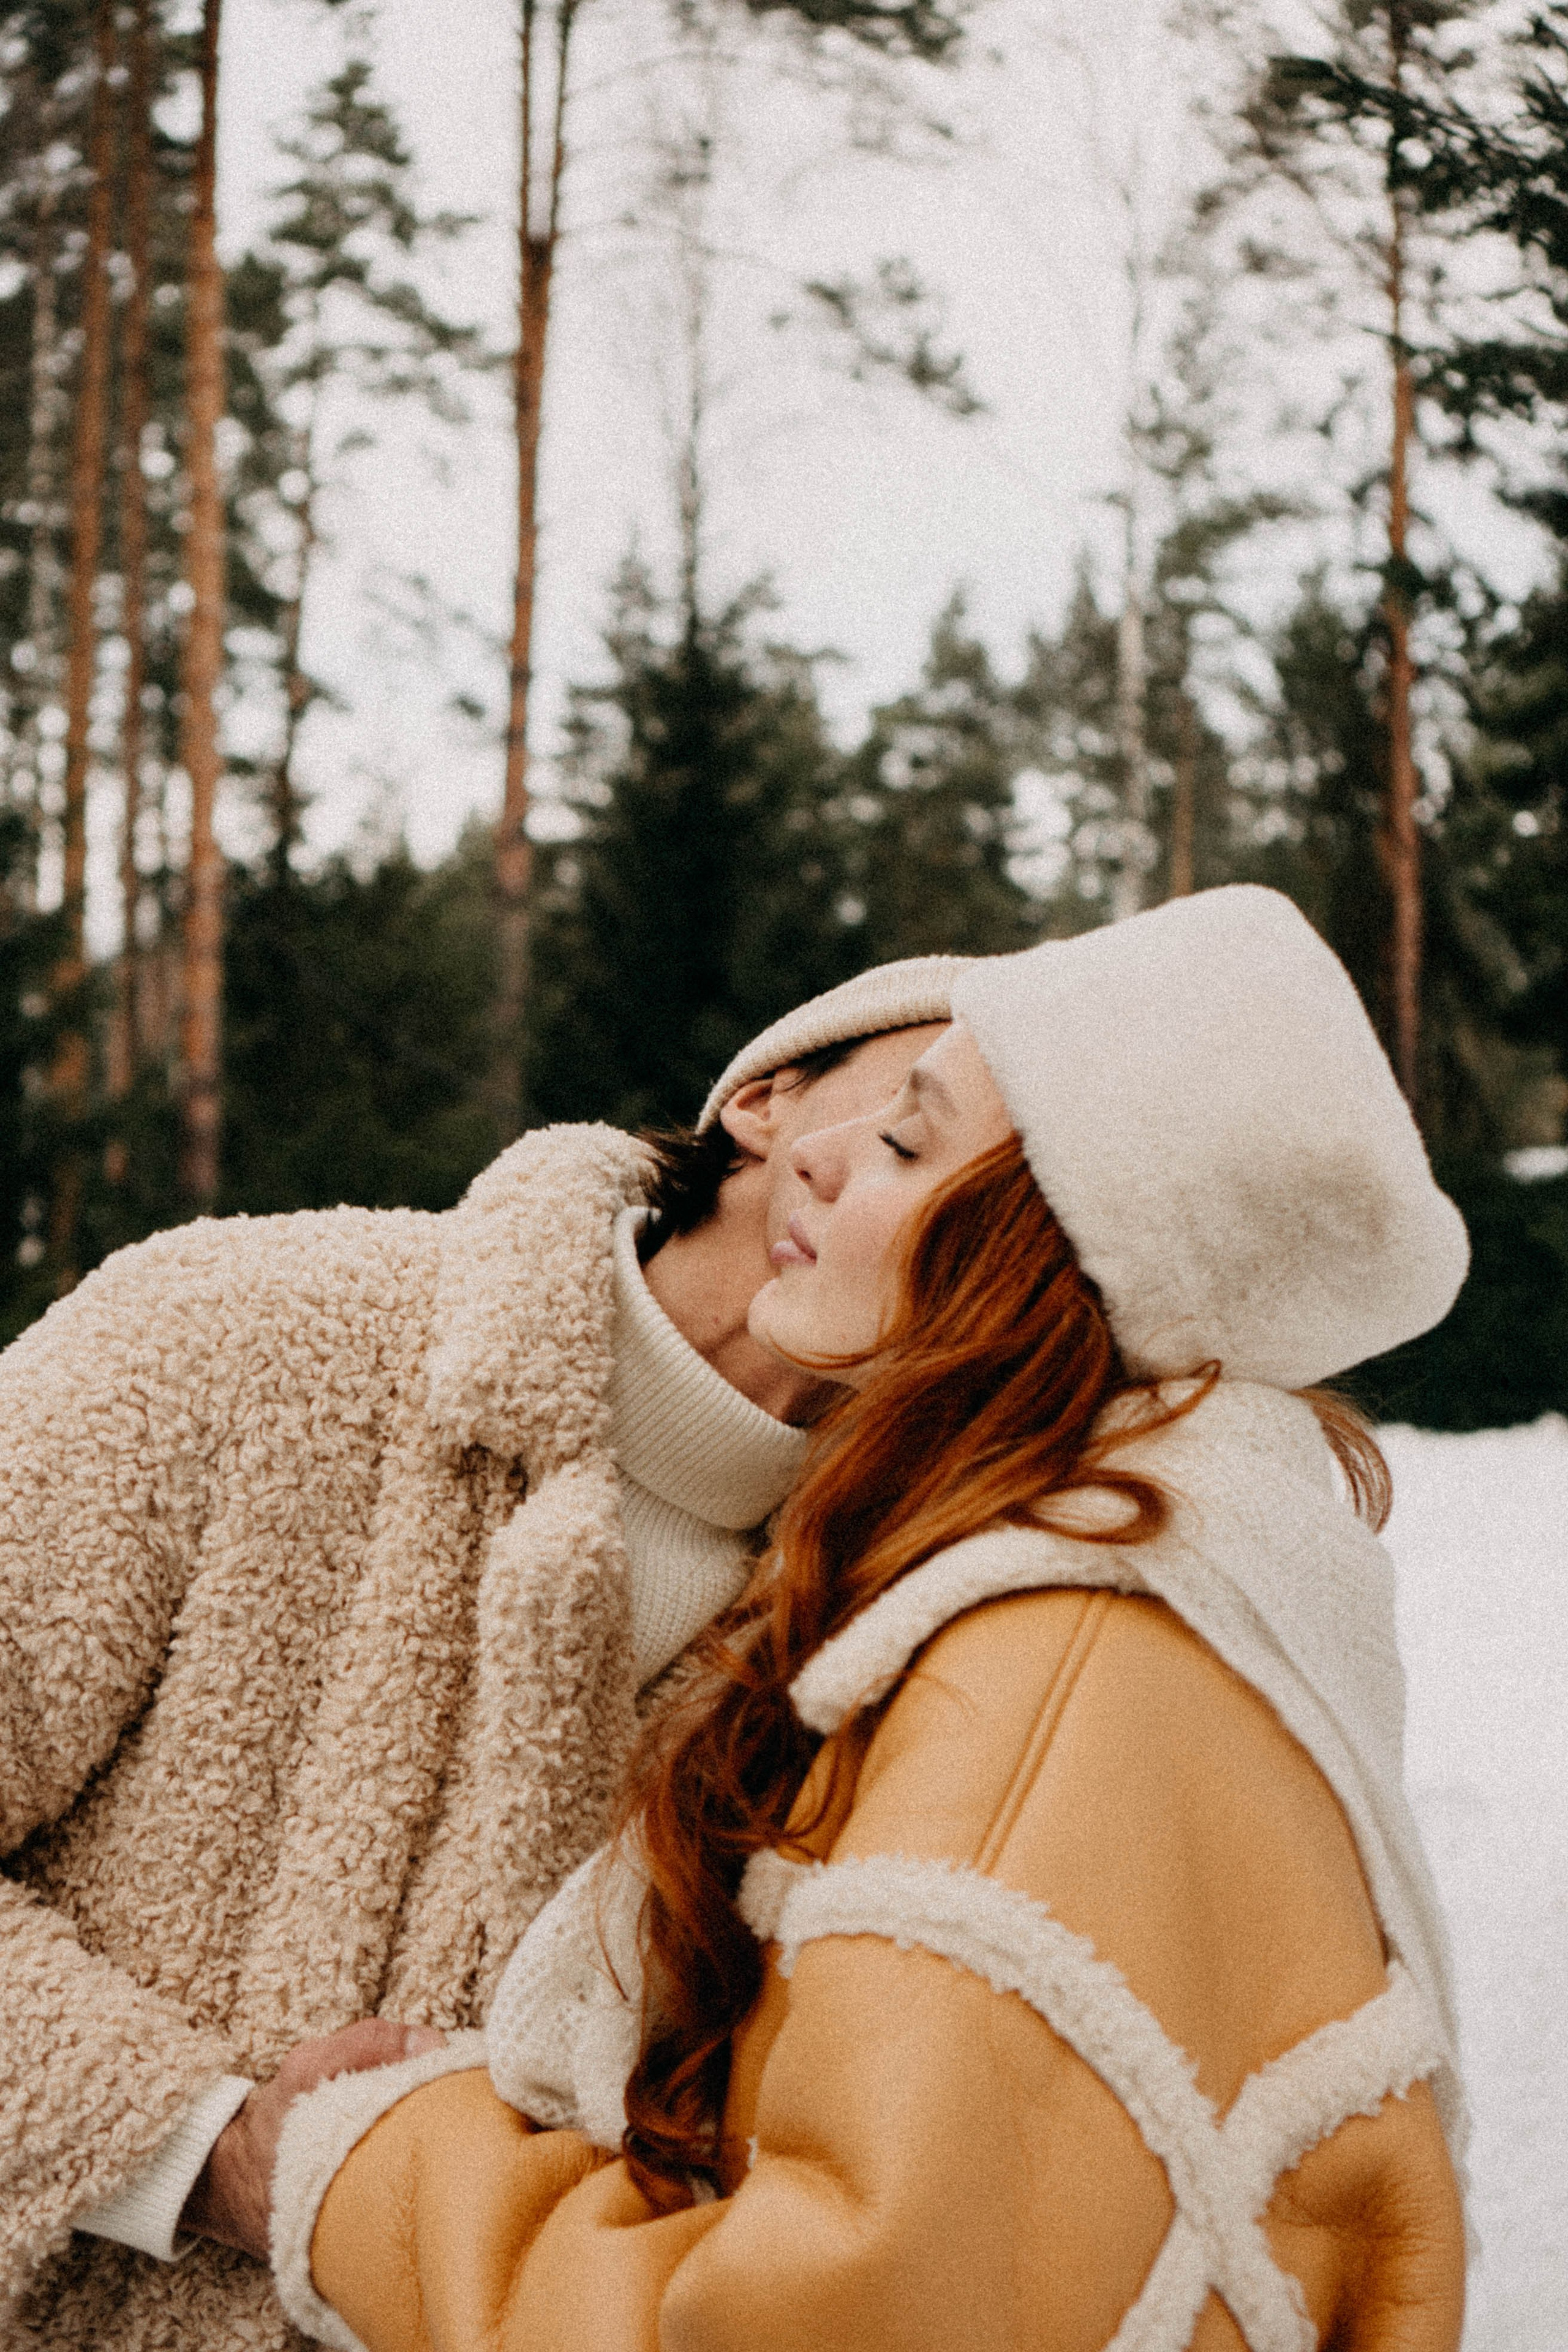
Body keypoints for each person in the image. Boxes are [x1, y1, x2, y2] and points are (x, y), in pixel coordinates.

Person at [262, 886, 1470, 2352]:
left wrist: (363, 2167)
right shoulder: (1128, 1586)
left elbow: (846, 2318)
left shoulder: (1058, 1669)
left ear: (1047, 1262)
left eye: (902, 1139)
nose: (811, 1160)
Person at [0, 952, 969, 2351]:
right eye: (912, 1117)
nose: (947, 1200)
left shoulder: (900, 1635)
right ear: (765, 1100)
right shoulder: (235, 1335)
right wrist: (194, 2149)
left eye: (1021, 1202)